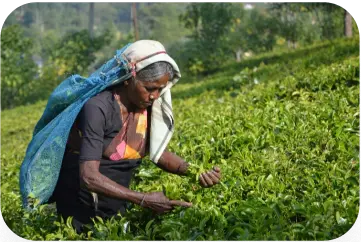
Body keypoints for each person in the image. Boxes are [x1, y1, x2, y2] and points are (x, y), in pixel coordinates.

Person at [47, 40, 222, 233]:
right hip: (82, 200)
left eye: (160, 89)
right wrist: (144, 199)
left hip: (118, 193)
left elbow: (156, 152)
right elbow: (88, 176)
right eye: (149, 88)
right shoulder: (98, 108)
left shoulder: (145, 106)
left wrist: (196, 172)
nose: (155, 96)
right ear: (129, 78)